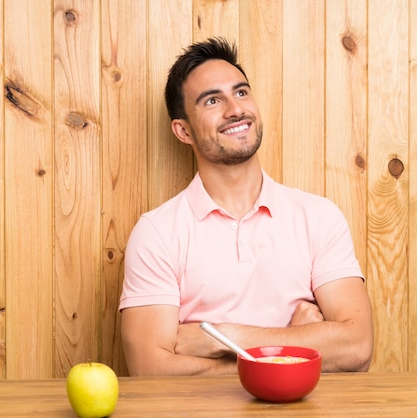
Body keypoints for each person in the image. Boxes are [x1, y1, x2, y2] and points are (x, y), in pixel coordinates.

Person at [119, 37, 373, 376]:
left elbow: (357, 347)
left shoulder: (318, 217)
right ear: (183, 131)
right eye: (212, 100)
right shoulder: (157, 233)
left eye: (241, 92)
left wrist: (224, 337)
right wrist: (296, 343)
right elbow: (150, 369)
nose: (235, 109)